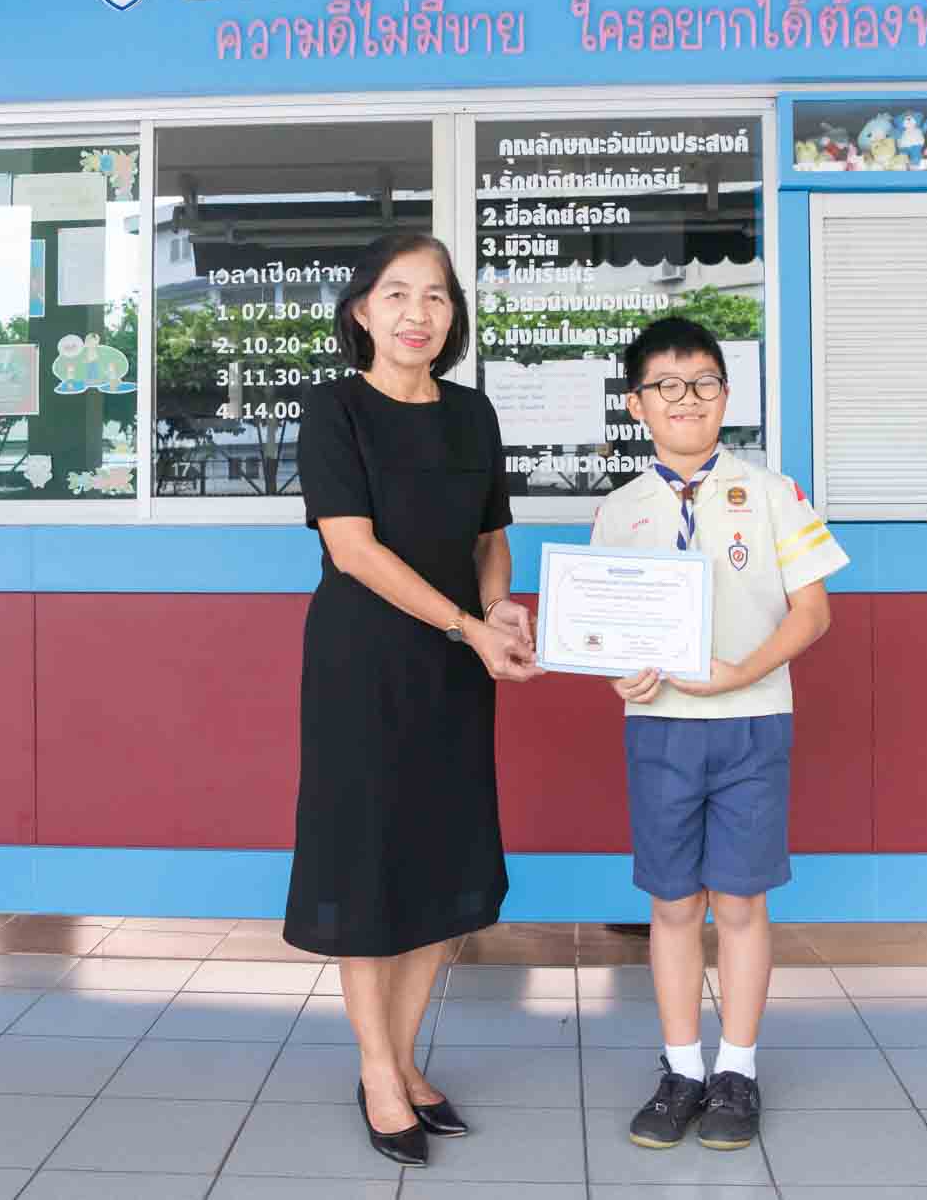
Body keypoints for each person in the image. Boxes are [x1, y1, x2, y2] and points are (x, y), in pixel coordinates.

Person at [285, 233, 541, 1169]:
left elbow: (490, 537)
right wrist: (468, 624)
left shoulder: (473, 414)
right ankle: (379, 1070)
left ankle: (397, 1056)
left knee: (442, 856)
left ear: (453, 313)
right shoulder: (335, 409)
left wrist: (498, 609)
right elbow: (352, 549)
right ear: (362, 310)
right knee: (369, 863)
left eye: (435, 295)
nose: (416, 313)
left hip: (454, 668)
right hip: (363, 663)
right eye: (396, 294)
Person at [590, 315, 847, 1152]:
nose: (687, 399)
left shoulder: (772, 492)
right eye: (665, 385)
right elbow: (606, 628)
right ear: (637, 404)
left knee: (739, 899)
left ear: (726, 396)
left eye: (703, 382)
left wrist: (741, 672)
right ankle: (681, 1070)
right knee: (672, 903)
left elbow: (814, 611)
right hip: (660, 728)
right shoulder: (619, 510)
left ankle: (737, 1068)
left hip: (751, 723)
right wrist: (618, 669)